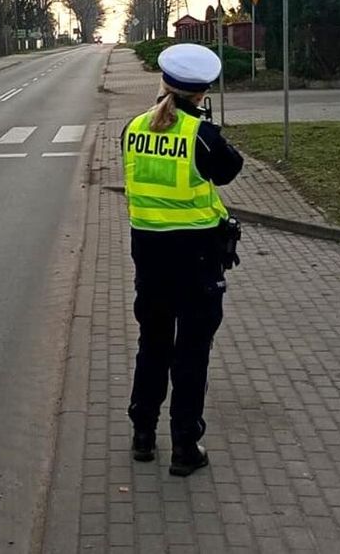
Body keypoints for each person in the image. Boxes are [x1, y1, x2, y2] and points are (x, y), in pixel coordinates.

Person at [122, 42, 244, 477]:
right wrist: (204, 126)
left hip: (149, 260)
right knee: (191, 353)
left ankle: (142, 435)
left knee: (152, 345)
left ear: (164, 84)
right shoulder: (203, 138)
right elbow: (231, 169)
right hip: (195, 262)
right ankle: (185, 446)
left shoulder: (133, 128)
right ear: (202, 93)